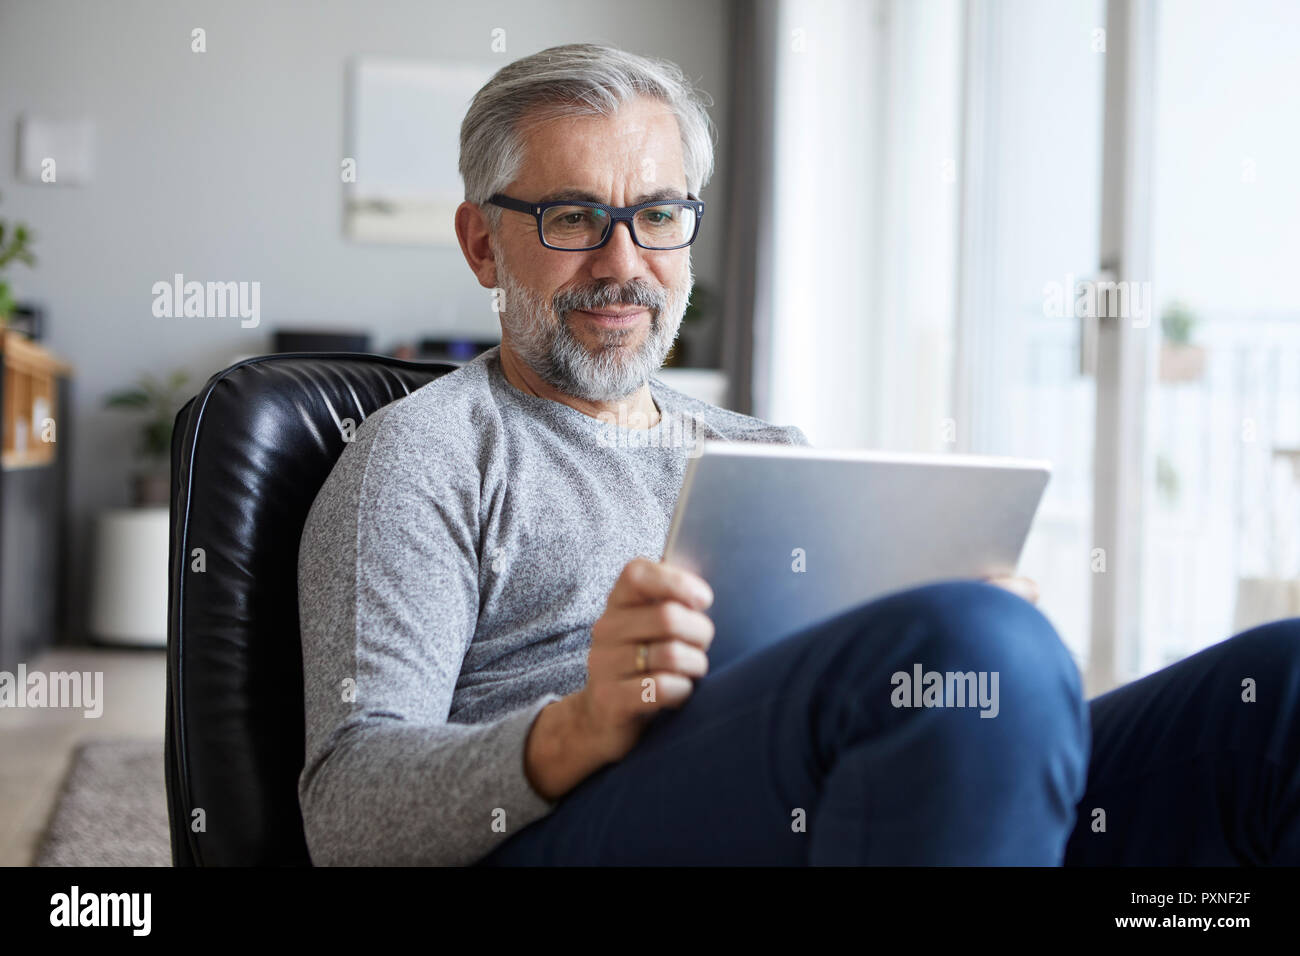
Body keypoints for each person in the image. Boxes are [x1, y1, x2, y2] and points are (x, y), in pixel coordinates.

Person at [296, 43, 1300, 866]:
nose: (621, 263)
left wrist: (993, 663)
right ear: (481, 244)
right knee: (966, 646)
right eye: (571, 218)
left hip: (836, 809)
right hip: (575, 832)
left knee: (1271, 680)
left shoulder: (767, 453)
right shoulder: (423, 455)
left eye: (655, 214)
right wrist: (577, 725)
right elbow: (344, 809)